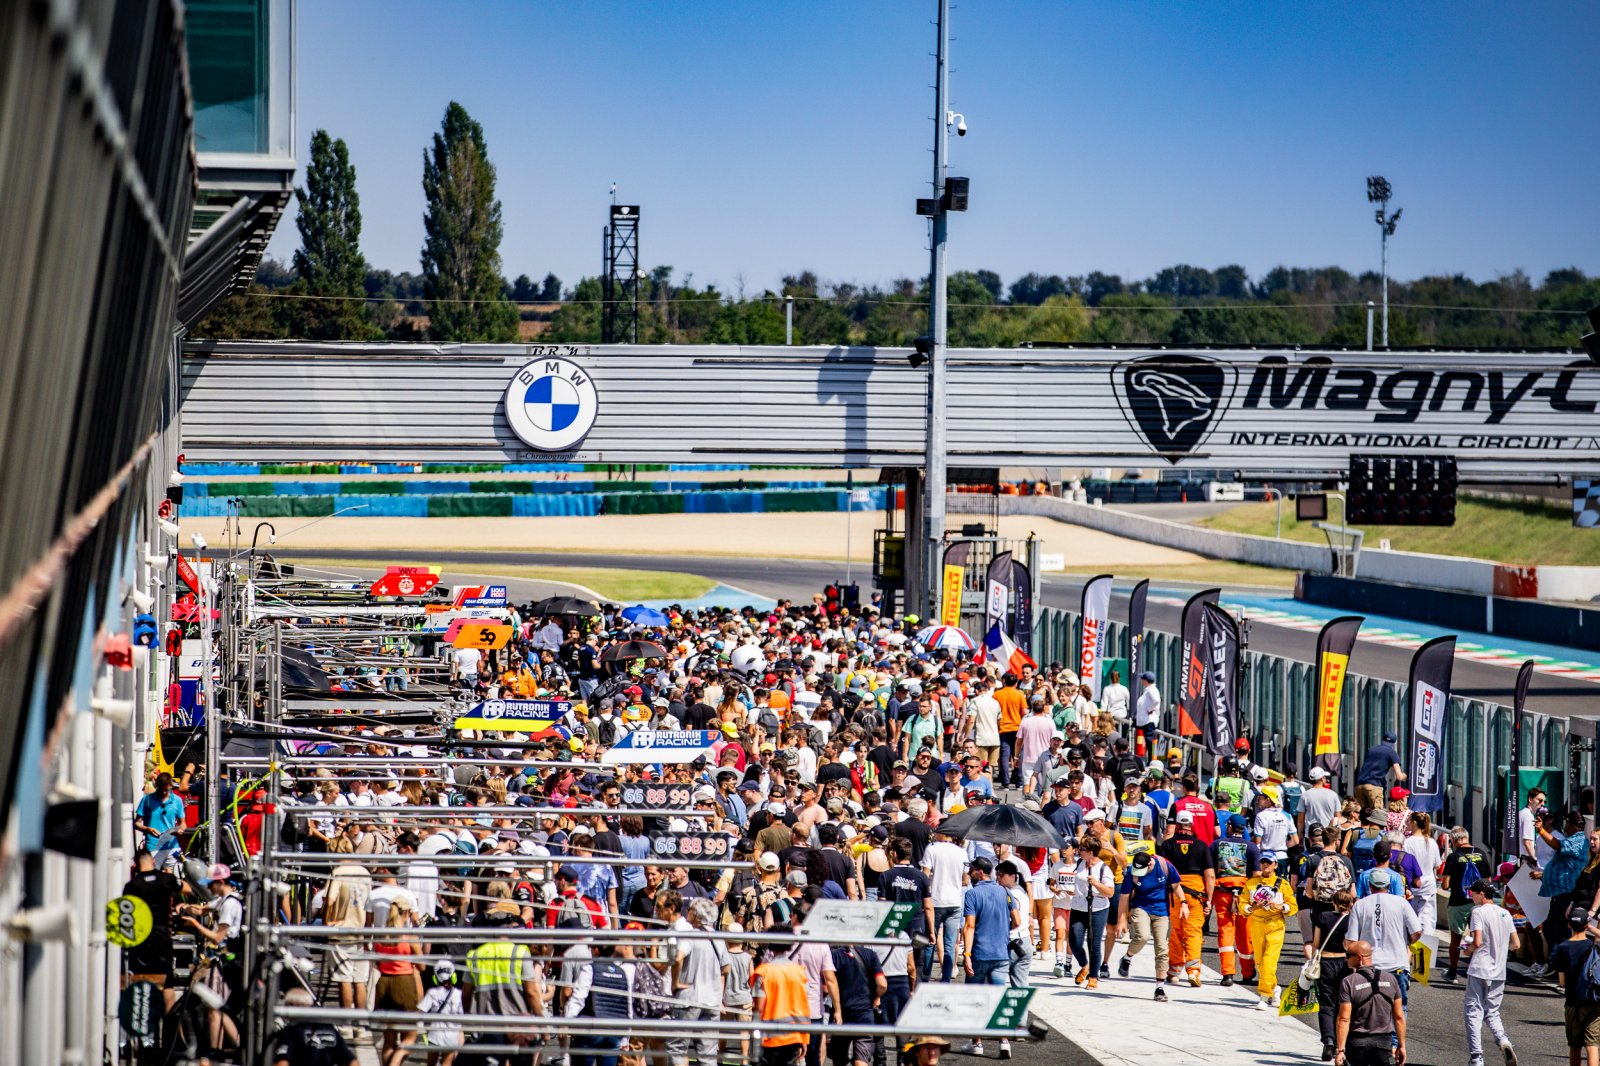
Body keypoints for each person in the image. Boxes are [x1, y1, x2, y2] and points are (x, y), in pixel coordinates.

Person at [960, 857, 1019, 1057]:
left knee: (975, 998)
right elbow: (1017, 920)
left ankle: (977, 1043)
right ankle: (1004, 1041)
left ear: (979, 872)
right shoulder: (1006, 892)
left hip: (979, 952)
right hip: (1001, 953)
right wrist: (1002, 930)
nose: (969, 874)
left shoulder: (972, 894)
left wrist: (966, 954)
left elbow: (969, 926)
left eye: (971, 870)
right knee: (997, 997)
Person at [1344, 868, 1421, 1013]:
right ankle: (1396, 1037)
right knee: (1398, 1011)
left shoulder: (1360, 905)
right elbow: (1416, 931)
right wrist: (1407, 942)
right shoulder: (1401, 903)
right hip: (1397, 964)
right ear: (1389, 885)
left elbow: (1351, 942)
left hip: (1368, 966)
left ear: (1370, 885)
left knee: (1367, 1009)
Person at [1461, 879, 1519, 1066]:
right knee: (1492, 1011)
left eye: (1473, 893)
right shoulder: (1505, 914)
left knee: (1473, 1011)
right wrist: (1500, 947)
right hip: (1499, 971)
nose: (1472, 896)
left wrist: (1467, 950)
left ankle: (1476, 1057)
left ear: (1482, 894)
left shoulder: (1478, 912)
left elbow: (1477, 941)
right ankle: (1503, 1040)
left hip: (1480, 967)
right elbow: (1516, 944)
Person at [1115, 850, 1182, 1002]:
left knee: (1162, 948)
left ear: (1150, 863)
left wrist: (1183, 902)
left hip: (1161, 910)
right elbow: (1124, 897)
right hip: (1141, 907)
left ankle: (1159, 988)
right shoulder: (1132, 871)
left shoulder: (1164, 865)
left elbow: (1176, 885)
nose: (1140, 873)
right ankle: (1127, 957)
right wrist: (1122, 919)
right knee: (1143, 936)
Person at [1160, 810, 1215, 987]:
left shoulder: (1167, 845)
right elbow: (1210, 875)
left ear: (1176, 824)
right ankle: (1193, 971)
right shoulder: (1201, 846)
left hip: (1175, 894)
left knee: (1176, 932)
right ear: (1191, 825)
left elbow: (1162, 871)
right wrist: (1209, 899)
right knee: (1193, 932)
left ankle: (1174, 971)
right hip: (1196, 894)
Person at [1335, 939, 1408, 1066]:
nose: (1346, 959)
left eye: (1348, 956)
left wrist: (1340, 1050)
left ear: (1359, 957)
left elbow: (1344, 1019)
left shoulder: (1349, 982)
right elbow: (1399, 1016)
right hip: (1383, 1044)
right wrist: (1401, 1046)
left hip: (1357, 1044)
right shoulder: (1391, 979)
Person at [1239, 854, 1298, 1008]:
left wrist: (1281, 907)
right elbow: (1242, 905)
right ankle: (1274, 988)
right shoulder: (1251, 884)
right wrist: (1253, 907)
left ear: (1275, 865)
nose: (1265, 865)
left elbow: (1293, 907)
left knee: (1269, 961)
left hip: (1275, 925)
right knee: (1259, 961)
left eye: (1269, 862)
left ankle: (1264, 996)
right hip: (1257, 924)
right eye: (1263, 862)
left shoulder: (1283, 885)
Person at [1548, 907, 1600, 1066]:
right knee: (1592, 1045)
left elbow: (1562, 982)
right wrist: (1591, 928)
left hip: (1573, 1001)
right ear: (1587, 925)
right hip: (1594, 999)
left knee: (1575, 1046)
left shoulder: (1563, 948)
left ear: (1569, 925)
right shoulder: (1594, 946)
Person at [1212, 812, 1259, 986]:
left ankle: (1227, 974)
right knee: (1245, 935)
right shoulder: (1252, 847)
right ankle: (1247, 973)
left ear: (1230, 826)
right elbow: (1257, 875)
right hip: (1244, 896)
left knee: (1225, 932)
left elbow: (1210, 874)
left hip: (1223, 893)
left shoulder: (1216, 845)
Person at [1313, 888, 1359, 1062]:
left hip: (1325, 963)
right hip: (1344, 964)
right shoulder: (1352, 921)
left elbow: (1316, 943)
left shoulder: (1323, 917)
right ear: (1350, 905)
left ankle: (1328, 1040)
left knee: (1326, 1004)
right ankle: (1342, 1043)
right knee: (1343, 1004)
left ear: (1333, 902)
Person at [1441, 828, 1493, 982]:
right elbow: (1488, 881)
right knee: (1478, 938)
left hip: (1458, 902)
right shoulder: (1481, 853)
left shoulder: (1453, 857)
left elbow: (1445, 885)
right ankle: (1477, 972)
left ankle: (1452, 972)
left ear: (1454, 840)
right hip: (1479, 903)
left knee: (1455, 940)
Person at [752, 944, 812, 1066]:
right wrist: (804, 1038)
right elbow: (803, 1006)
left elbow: (758, 1008)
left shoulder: (764, 971)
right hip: (793, 1034)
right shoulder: (800, 972)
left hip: (769, 1035)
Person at [272, 987, 358, 1066]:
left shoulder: (290, 1031)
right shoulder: (330, 1028)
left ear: (292, 1006)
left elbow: (282, 1062)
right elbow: (352, 1061)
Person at [1354, 733, 1406, 812]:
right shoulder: (1391, 753)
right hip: (1374, 786)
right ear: (1394, 743)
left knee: (1363, 815)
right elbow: (1399, 776)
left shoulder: (1372, 750)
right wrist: (1404, 776)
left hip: (1360, 785)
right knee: (1376, 815)